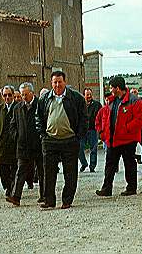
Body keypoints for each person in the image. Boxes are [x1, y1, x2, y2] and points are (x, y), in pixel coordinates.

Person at [35, 71, 87, 209]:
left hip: (69, 140)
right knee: (48, 173)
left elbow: (84, 118)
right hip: (50, 140)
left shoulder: (76, 98)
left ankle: (67, 200)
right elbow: (38, 118)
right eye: (54, 82)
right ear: (51, 83)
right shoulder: (44, 99)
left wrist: (78, 136)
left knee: (70, 173)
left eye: (60, 82)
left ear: (65, 82)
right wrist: (42, 135)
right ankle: (49, 201)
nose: (57, 85)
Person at [96, 76, 142, 197]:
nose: (110, 89)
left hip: (127, 140)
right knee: (109, 165)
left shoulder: (134, 101)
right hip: (112, 139)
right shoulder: (111, 101)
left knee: (129, 163)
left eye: (111, 87)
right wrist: (102, 133)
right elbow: (104, 117)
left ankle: (131, 187)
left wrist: (127, 128)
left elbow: (141, 119)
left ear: (117, 88)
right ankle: (106, 188)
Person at [6, 82, 44, 206]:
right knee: (20, 170)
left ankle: (44, 195)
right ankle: (16, 196)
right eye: (22, 95)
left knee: (42, 171)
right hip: (22, 145)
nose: (24, 97)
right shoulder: (17, 108)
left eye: (26, 94)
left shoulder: (40, 105)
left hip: (38, 144)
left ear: (32, 93)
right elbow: (12, 125)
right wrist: (17, 137)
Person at [0, 85, 18, 197]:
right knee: (2, 167)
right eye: (5, 95)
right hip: (2, 144)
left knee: (14, 167)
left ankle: (12, 188)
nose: (7, 97)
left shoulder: (18, 107)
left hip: (15, 144)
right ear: (2, 96)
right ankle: (7, 186)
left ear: (13, 95)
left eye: (9, 95)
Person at [79, 88, 102, 172]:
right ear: (83, 95)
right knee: (79, 148)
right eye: (87, 94)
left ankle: (92, 166)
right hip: (82, 130)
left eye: (90, 94)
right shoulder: (80, 105)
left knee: (93, 149)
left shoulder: (97, 105)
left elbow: (100, 117)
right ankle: (84, 163)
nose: (89, 96)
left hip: (93, 130)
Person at [130, 88, 142, 172]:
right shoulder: (127, 103)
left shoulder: (141, 103)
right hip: (131, 129)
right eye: (132, 92)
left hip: (141, 129)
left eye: (135, 92)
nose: (134, 94)